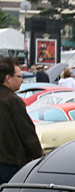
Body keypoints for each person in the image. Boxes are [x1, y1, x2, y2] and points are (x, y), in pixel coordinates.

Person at [0, 57, 44, 185]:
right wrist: (40, 159)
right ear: (8, 78)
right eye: (18, 76)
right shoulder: (12, 101)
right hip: (10, 165)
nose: (22, 79)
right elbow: (27, 134)